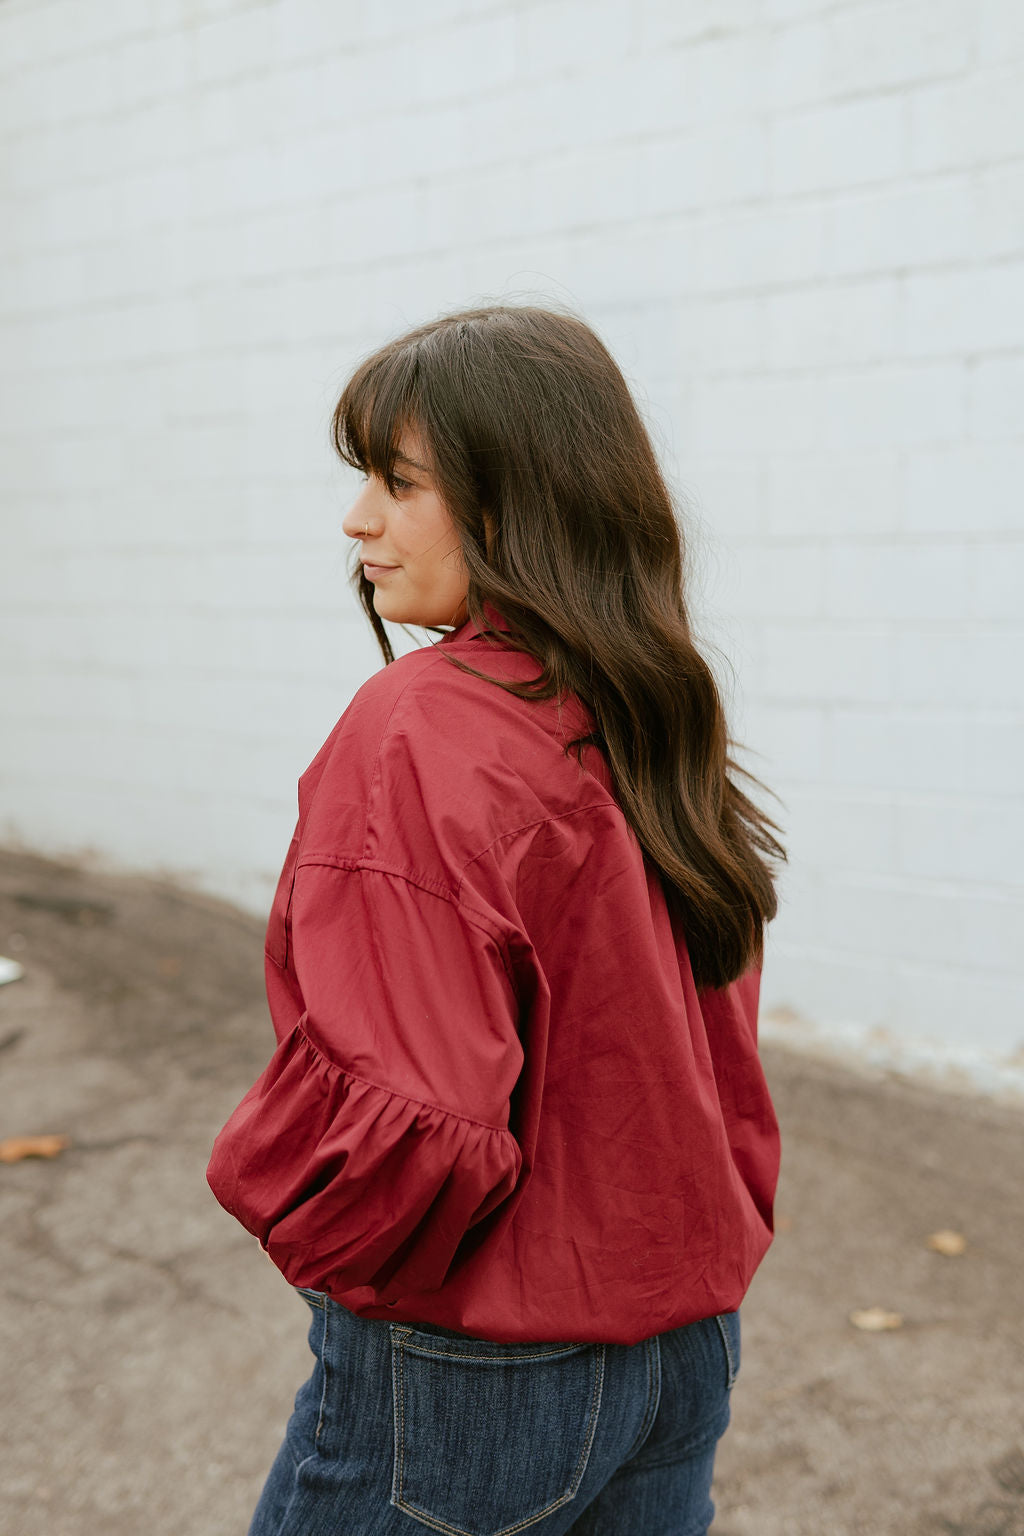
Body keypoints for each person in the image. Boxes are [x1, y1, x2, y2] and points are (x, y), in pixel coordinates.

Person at [206, 302, 784, 1536]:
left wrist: (342, 1275)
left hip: (486, 1367)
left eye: (398, 481)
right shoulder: (649, 697)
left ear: (518, 496)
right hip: (684, 1345)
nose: (358, 518)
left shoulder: (422, 725)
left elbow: (411, 1113)